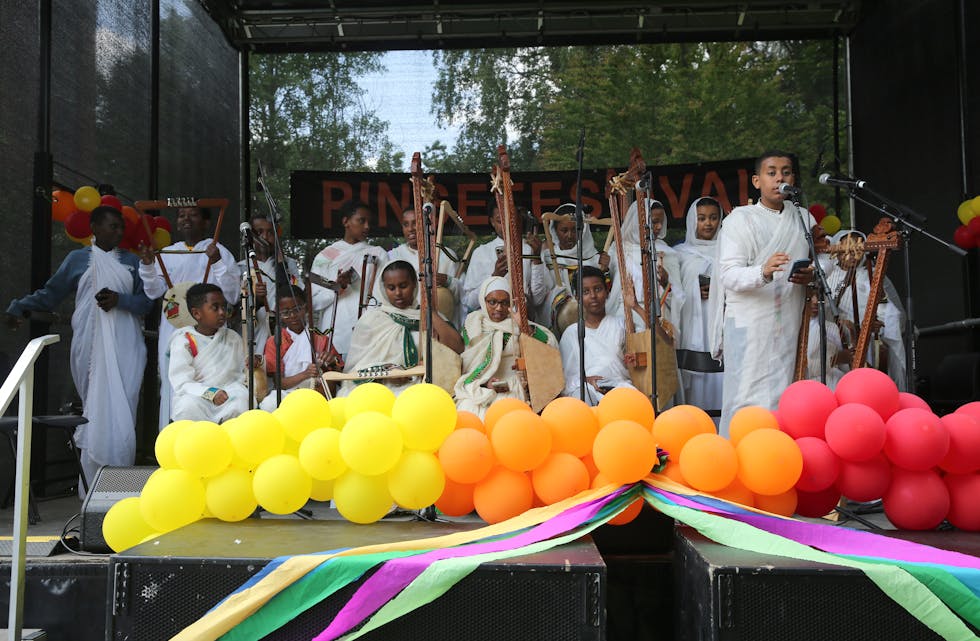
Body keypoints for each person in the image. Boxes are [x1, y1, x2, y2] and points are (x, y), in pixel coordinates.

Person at [5, 205, 151, 487]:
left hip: (127, 346)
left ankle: (120, 487)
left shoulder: (133, 262)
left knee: (123, 411)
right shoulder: (77, 259)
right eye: (113, 227)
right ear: (94, 228)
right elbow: (51, 294)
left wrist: (121, 300)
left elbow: (146, 303)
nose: (119, 232)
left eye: (121, 228)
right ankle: (93, 490)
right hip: (88, 344)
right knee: (95, 409)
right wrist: (18, 307)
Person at [708, 150, 815, 435]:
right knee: (745, 397)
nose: (780, 177)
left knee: (782, 395)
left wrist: (811, 274)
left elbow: (823, 262)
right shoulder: (740, 220)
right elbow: (728, 274)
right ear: (757, 181)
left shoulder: (803, 219)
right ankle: (738, 462)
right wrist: (763, 272)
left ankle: (774, 460)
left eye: (786, 171)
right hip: (749, 323)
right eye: (771, 172)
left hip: (787, 323)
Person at [138, 205, 241, 429]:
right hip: (174, 330)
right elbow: (153, 291)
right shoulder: (167, 253)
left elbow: (232, 294)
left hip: (211, 335)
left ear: (206, 222)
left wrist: (217, 262)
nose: (186, 219)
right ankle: (174, 443)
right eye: (181, 215)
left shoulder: (219, 251)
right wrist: (147, 265)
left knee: (216, 381)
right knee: (174, 384)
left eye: (193, 215)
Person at [340, 260, 463, 396]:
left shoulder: (430, 316)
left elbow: (457, 347)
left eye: (403, 286)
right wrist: (387, 372)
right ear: (383, 289)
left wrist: (429, 312)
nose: (398, 293)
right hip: (381, 390)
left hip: (424, 388)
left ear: (415, 285)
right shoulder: (372, 320)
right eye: (391, 288)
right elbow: (355, 369)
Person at [454, 276, 558, 418]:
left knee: (504, 414)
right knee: (466, 409)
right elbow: (468, 362)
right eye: (492, 302)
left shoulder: (518, 324)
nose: (499, 308)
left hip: (512, 386)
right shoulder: (473, 324)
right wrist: (484, 383)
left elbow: (549, 345)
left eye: (504, 303)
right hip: (478, 385)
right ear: (483, 301)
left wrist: (523, 327)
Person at [310, 201, 388, 360]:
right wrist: (337, 287)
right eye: (361, 221)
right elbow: (313, 301)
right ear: (346, 221)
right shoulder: (325, 257)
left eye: (369, 222)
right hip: (335, 328)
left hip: (368, 327)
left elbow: (385, 295)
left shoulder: (377, 254)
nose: (367, 227)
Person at [168, 283, 249, 422]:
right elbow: (181, 382)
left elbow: (243, 374)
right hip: (198, 397)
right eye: (215, 307)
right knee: (187, 406)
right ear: (197, 313)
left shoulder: (232, 337)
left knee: (241, 401)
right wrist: (210, 393)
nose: (222, 312)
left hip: (229, 394)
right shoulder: (184, 340)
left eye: (224, 306)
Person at [674, 197, 725, 419]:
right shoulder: (681, 254)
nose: (708, 224)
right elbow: (674, 292)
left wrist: (717, 290)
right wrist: (694, 289)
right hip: (692, 325)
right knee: (694, 383)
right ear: (691, 221)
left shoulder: (729, 251)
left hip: (720, 321)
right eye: (701, 218)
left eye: (713, 218)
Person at [607, 198, 685, 341]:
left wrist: (666, 283)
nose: (659, 226)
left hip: (658, 318)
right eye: (654, 222)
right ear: (638, 221)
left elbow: (679, 296)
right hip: (625, 317)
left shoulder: (667, 253)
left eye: (661, 221)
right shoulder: (618, 250)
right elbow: (608, 284)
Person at [558, 266, 635, 406]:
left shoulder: (622, 325)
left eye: (598, 289)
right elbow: (564, 379)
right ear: (578, 297)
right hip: (587, 391)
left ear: (607, 292)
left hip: (619, 387)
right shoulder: (571, 333)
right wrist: (586, 380)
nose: (593, 296)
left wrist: (635, 306)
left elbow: (646, 350)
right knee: (581, 399)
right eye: (586, 292)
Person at [461, 203, 549, 322]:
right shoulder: (481, 253)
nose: (506, 225)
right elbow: (469, 302)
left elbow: (538, 300)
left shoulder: (531, 248)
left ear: (519, 220)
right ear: (492, 222)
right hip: (490, 325)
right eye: (500, 220)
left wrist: (536, 258)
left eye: (511, 219)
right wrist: (494, 277)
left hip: (523, 322)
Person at [237, 213, 304, 360]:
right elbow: (237, 308)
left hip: (285, 330)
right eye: (259, 232)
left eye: (270, 232)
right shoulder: (242, 268)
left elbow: (297, 294)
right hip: (257, 333)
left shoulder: (289, 264)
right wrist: (258, 300)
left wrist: (281, 262)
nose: (265, 237)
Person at [541, 204, 612, 334]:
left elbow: (606, 292)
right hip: (558, 324)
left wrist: (605, 270)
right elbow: (540, 293)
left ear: (583, 230)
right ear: (554, 230)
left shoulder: (594, 257)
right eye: (564, 230)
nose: (570, 235)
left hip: (592, 325)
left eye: (575, 230)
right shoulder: (547, 257)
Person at [388, 206, 464, 327]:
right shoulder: (393, 256)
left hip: (442, 326)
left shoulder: (446, 254)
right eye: (406, 225)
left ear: (427, 225)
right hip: (405, 325)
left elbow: (464, 293)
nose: (411, 229)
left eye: (415, 223)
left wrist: (448, 281)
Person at [259, 286, 332, 411]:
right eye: (286, 313)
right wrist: (305, 374)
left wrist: (331, 361)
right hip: (287, 393)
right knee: (268, 404)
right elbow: (278, 383)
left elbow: (333, 374)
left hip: (315, 392)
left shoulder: (321, 339)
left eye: (297, 309)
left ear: (306, 307)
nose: (292, 316)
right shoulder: (274, 342)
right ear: (279, 314)